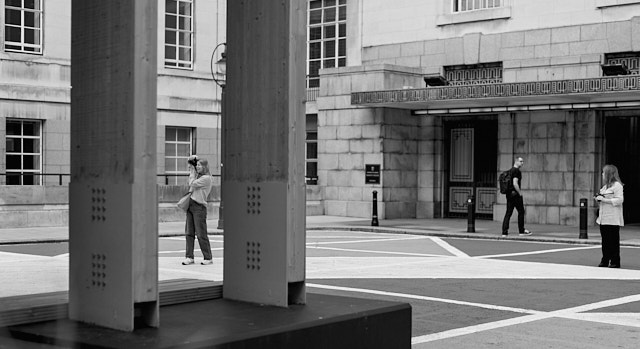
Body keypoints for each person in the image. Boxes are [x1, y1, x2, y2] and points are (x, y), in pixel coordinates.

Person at [182, 155, 214, 265]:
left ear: (205, 166)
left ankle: (208, 257)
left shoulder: (206, 178)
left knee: (201, 234)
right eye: (197, 165)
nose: (198, 166)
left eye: (200, 165)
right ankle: (189, 257)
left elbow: (192, 183)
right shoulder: (198, 176)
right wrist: (192, 164)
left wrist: (192, 171)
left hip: (199, 207)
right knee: (189, 233)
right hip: (191, 205)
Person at [595, 164, 624, 268]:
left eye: (603, 172)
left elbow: (620, 200)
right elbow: (602, 197)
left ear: (608, 174)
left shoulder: (617, 186)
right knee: (605, 240)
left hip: (613, 218)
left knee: (613, 241)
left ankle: (615, 261)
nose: (602, 174)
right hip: (603, 217)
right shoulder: (605, 187)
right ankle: (605, 259)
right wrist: (598, 198)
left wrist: (604, 200)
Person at [501, 157, 532, 236]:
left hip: (509, 195)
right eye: (521, 161)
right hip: (515, 195)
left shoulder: (510, 171)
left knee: (508, 213)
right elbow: (515, 183)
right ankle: (521, 231)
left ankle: (504, 232)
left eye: (523, 161)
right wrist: (520, 193)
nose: (522, 163)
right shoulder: (516, 171)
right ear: (516, 162)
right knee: (521, 212)